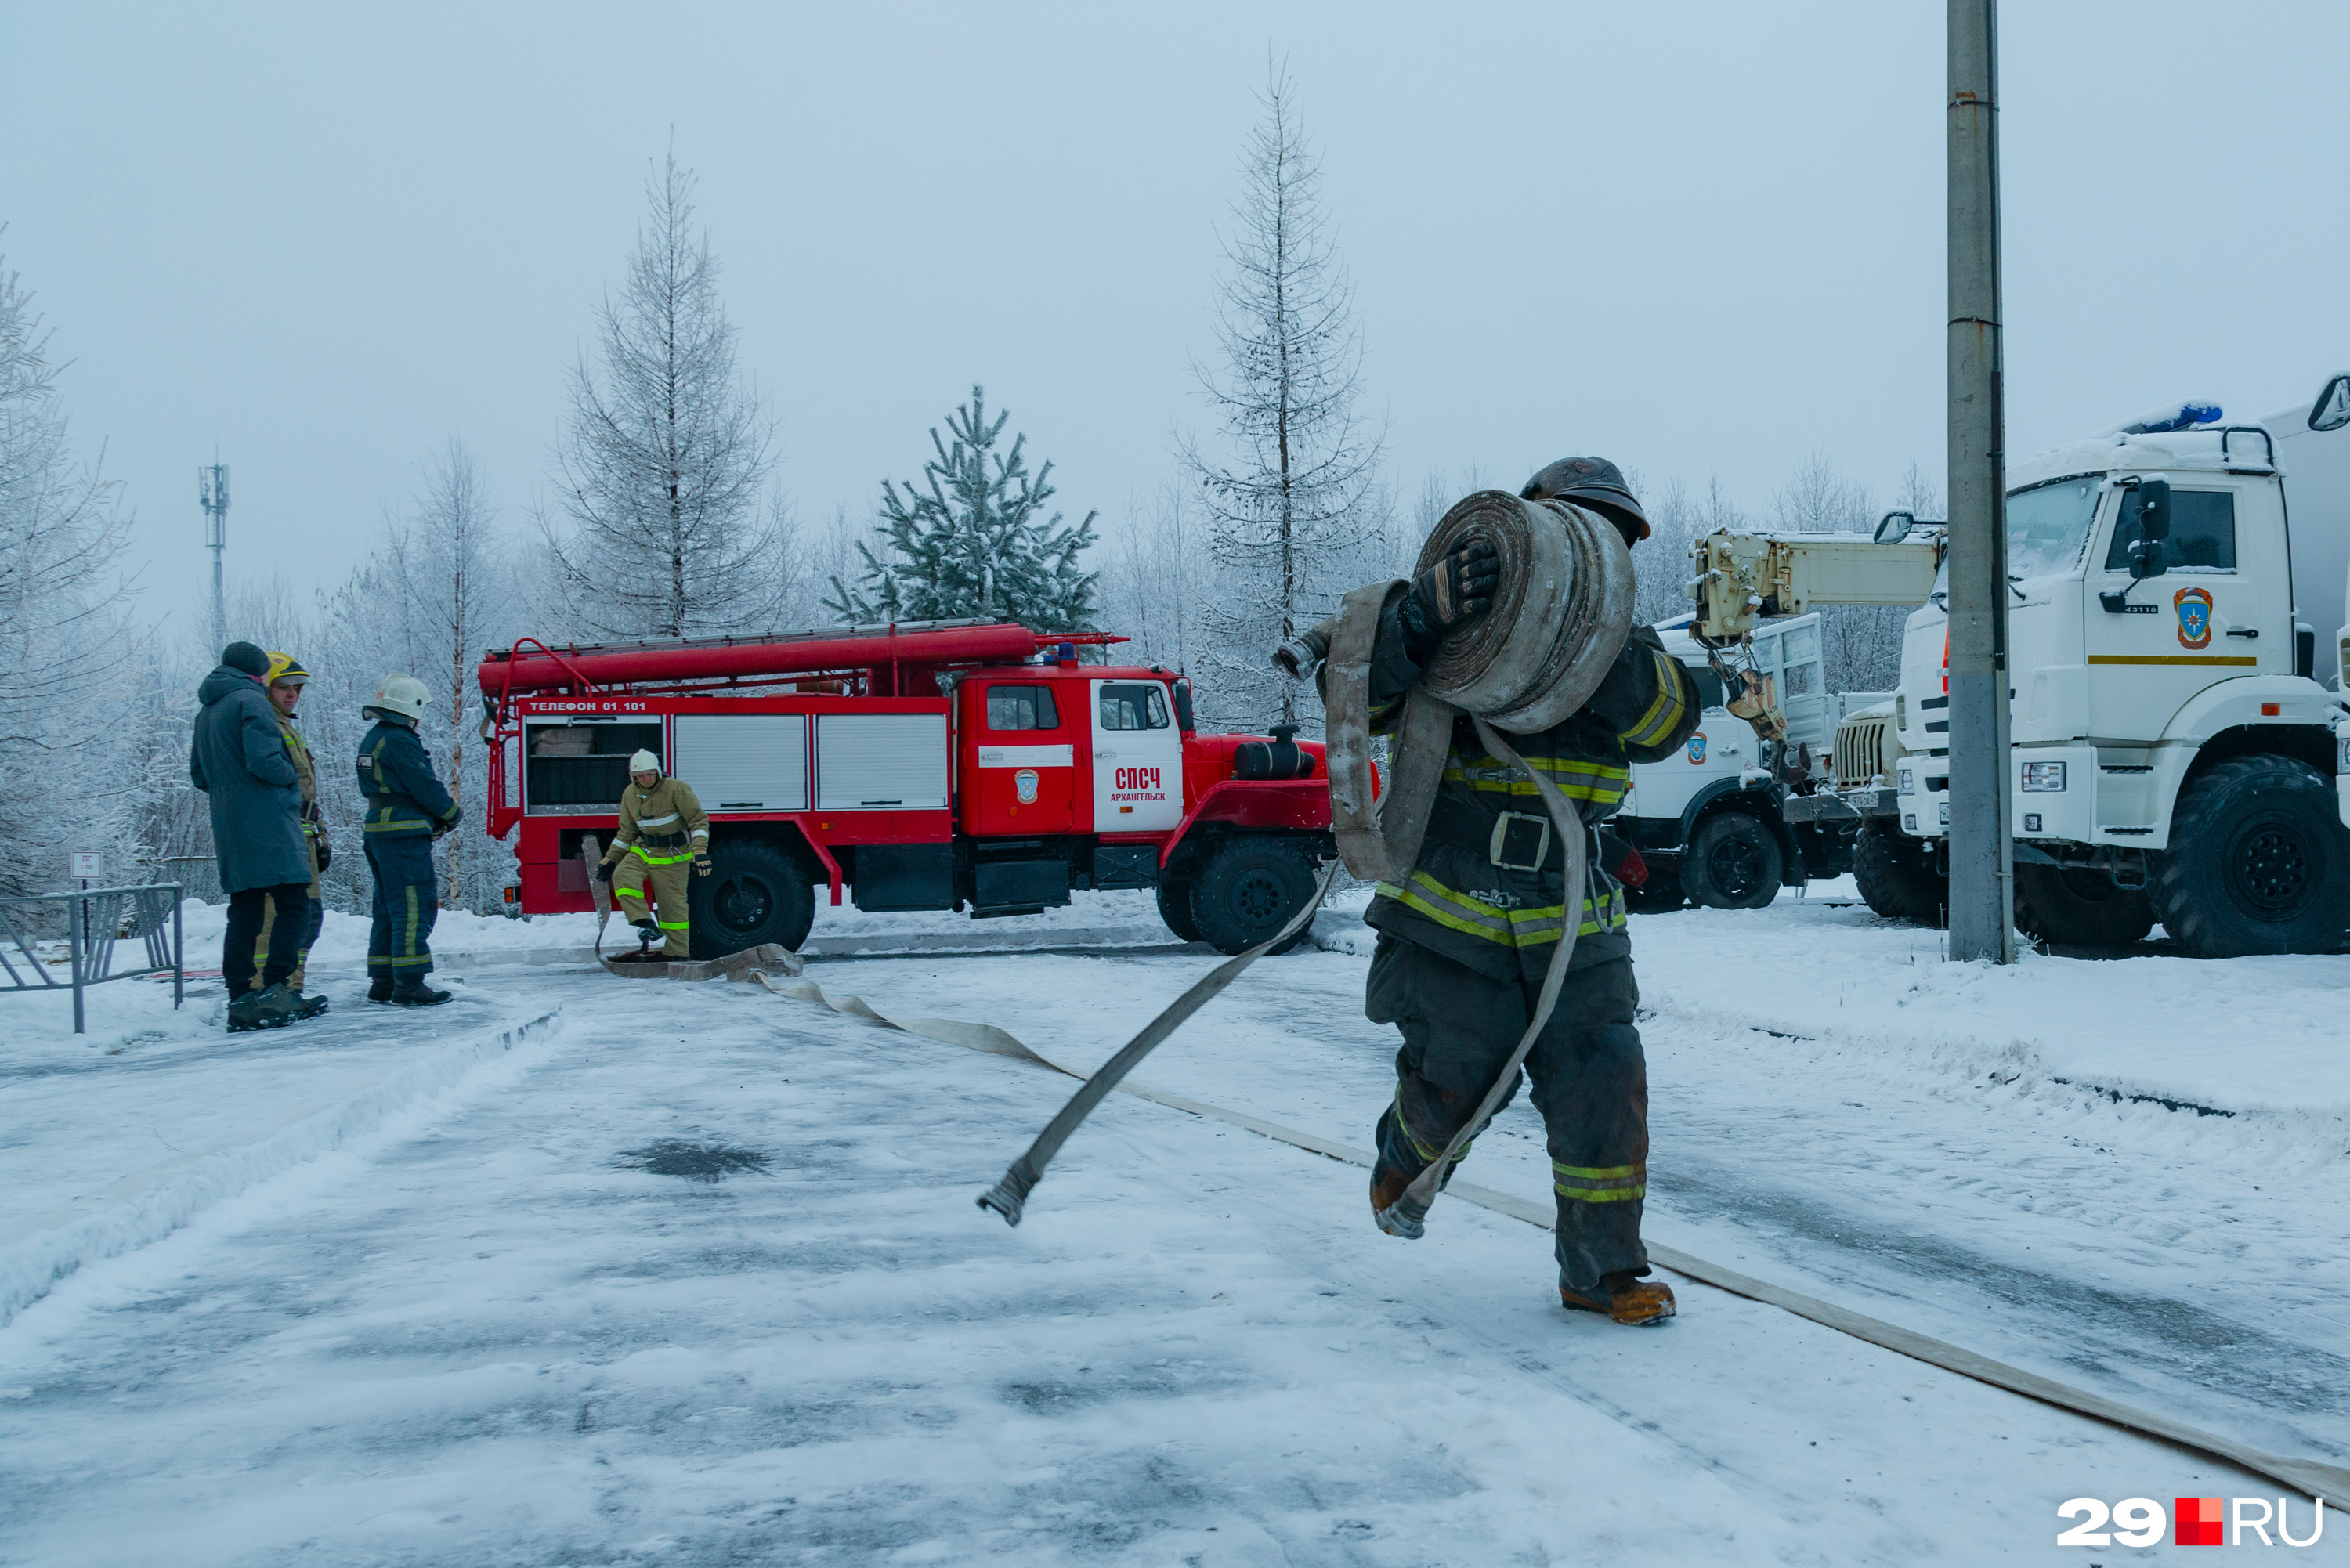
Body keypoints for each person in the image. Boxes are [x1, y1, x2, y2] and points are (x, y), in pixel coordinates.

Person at [1318, 457, 1702, 1327]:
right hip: (1458, 903)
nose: (1602, 546)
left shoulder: (1629, 649)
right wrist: (1420, 620)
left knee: (1605, 1081)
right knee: (1457, 1077)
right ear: (1532, 524)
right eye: (1582, 525)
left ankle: (1602, 1270)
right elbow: (1355, 696)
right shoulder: (1446, 624)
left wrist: (1583, 636)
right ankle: (1405, 1154)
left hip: (1577, 912)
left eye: (1615, 537)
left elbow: (1667, 724)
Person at [189, 641, 315, 1031]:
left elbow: (199, 775)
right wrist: (292, 777)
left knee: (244, 914)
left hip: (229, 824)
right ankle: (278, 990)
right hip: (271, 822)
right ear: (257, 672)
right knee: (295, 904)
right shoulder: (252, 700)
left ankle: (240, 999)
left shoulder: (207, 711)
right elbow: (264, 760)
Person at [356, 673, 461, 1006]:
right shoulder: (400, 740)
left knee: (388, 907)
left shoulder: (374, 738)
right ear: (410, 709)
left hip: (379, 830)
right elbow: (422, 783)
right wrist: (450, 813)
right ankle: (410, 984)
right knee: (415, 905)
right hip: (402, 834)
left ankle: (383, 980)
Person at [251, 652, 330, 1020]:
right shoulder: (267, 728)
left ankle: (291, 987)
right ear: (267, 687)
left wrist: (321, 835)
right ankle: (266, 989)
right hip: (284, 836)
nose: (292, 694)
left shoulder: (286, 727)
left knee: (308, 916)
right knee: (278, 916)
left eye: (297, 688)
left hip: (303, 836)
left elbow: (307, 793)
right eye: (284, 686)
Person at [595, 750, 709, 959]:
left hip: (673, 856)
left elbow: (698, 821)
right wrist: (610, 859)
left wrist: (700, 850)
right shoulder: (630, 794)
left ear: (657, 772)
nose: (646, 778)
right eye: (641, 775)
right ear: (633, 777)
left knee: (673, 910)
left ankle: (678, 956)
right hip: (643, 850)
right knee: (623, 876)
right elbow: (627, 832)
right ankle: (644, 923)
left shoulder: (676, 789)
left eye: (650, 773)